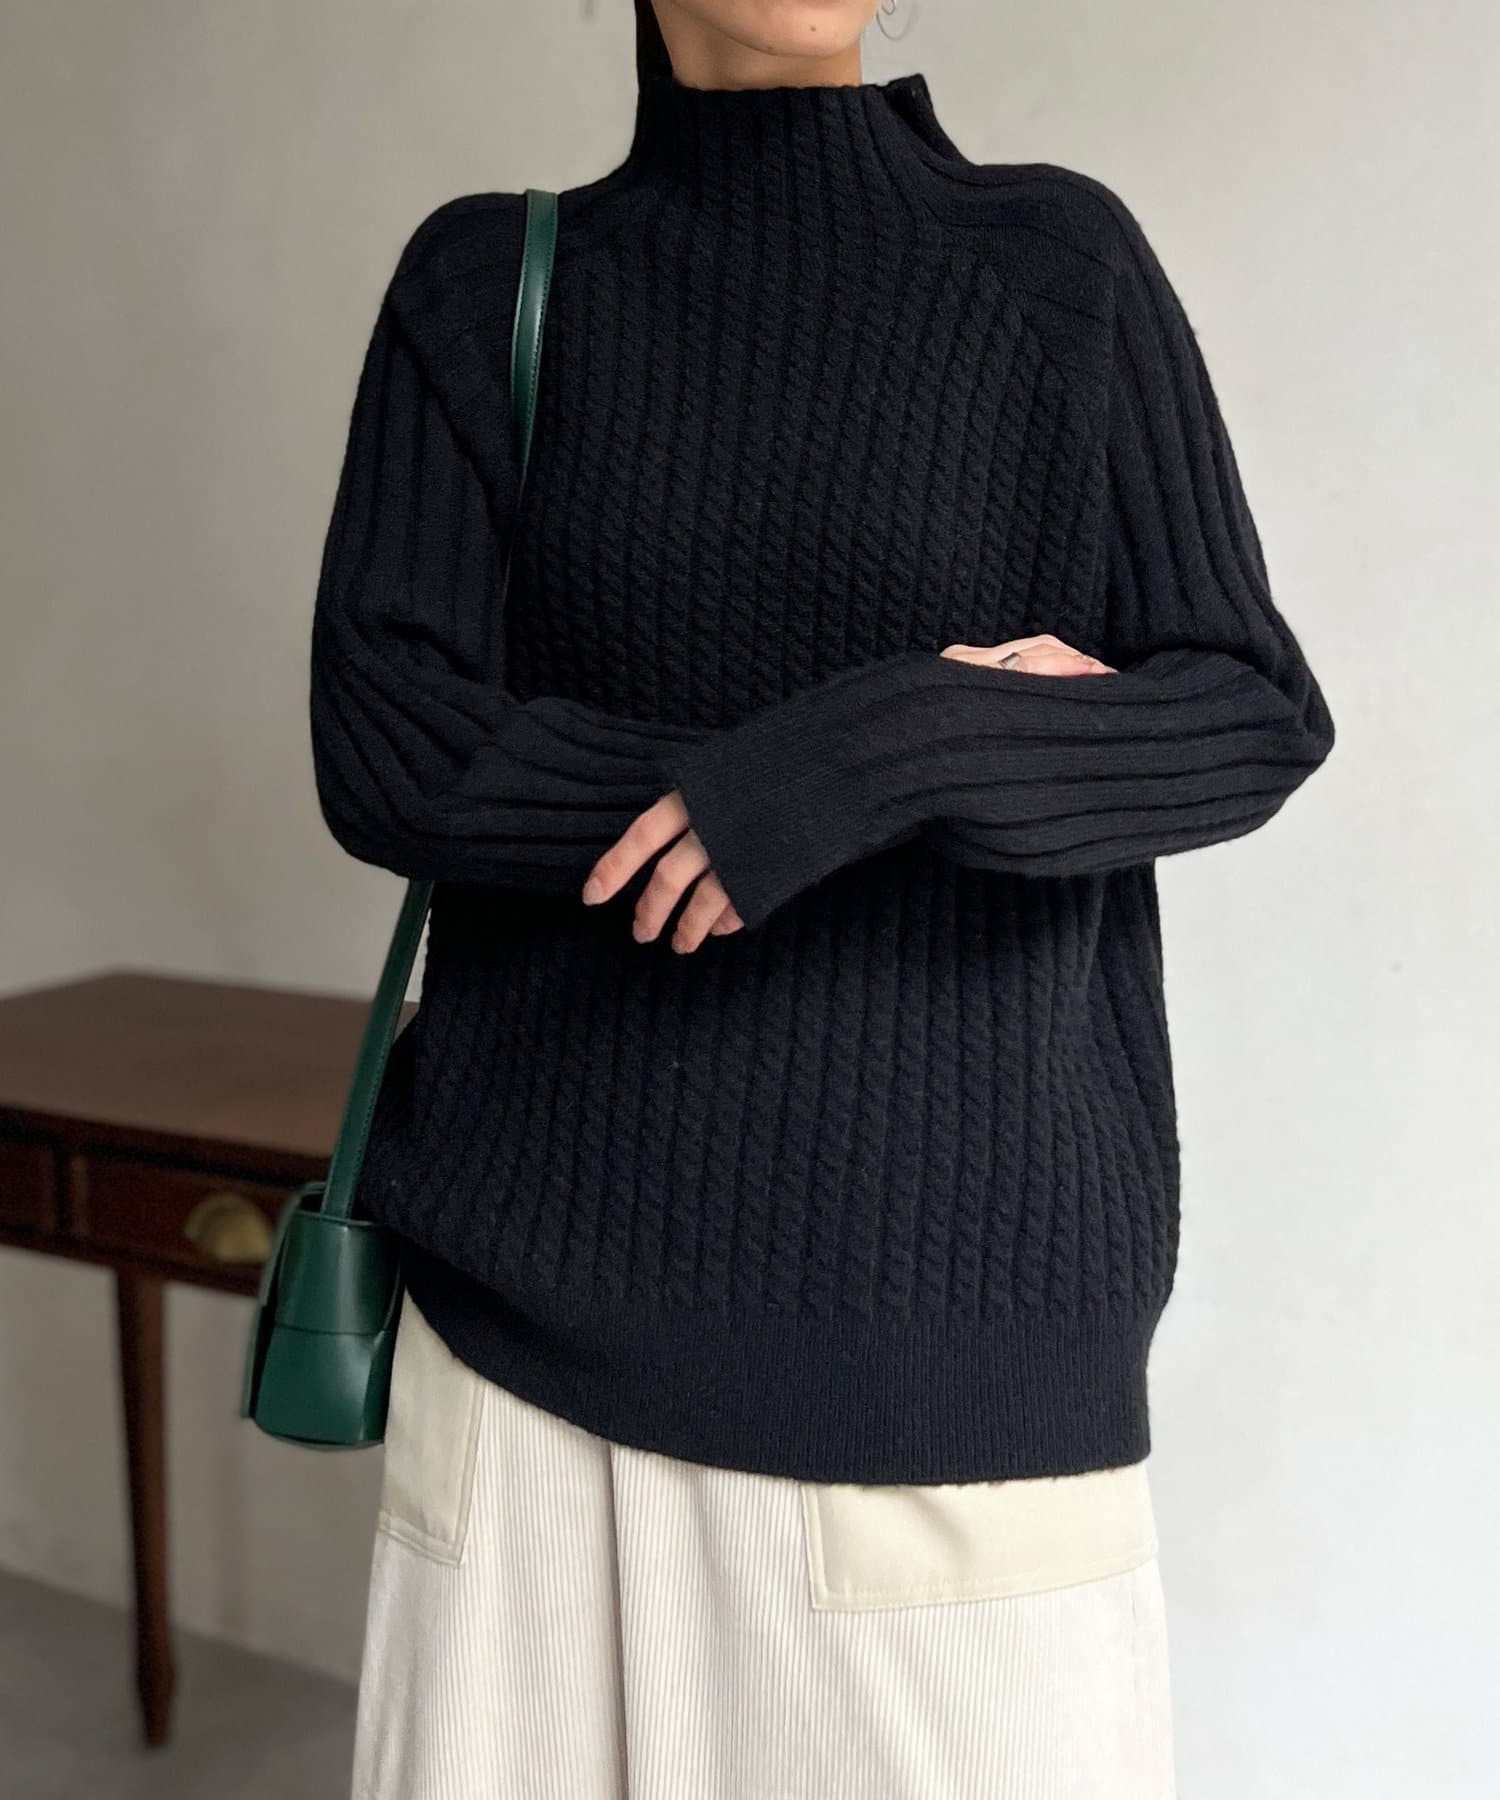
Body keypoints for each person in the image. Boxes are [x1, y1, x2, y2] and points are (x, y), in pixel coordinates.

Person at [312, 3, 1336, 1795]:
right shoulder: (491, 286)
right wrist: (724, 802)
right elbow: (387, 746)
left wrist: (880, 751)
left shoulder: (1058, 264)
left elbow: (1249, 711)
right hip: (524, 1349)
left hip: (944, 1361)